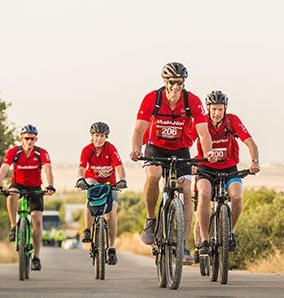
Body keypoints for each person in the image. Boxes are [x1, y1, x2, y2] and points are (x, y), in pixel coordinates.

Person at [130, 62, 216, 265]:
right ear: (165, 82)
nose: (177, 86)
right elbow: (139, 130)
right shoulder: (153, 98)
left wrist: (209, 151)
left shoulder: (192, 100)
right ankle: (151, 220)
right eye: (173, 82)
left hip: (180, 149)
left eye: (181, 82)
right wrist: (136, 148)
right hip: (155, 147)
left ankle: (183, 245)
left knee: (186, 189)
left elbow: (204, 132)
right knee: (153, 175)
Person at [192, 90, 260, 259]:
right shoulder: (201, 122)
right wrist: (191, 164)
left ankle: (230, 233)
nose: (217, 113)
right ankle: (205, 241)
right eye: (214, 109)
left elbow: (250, 142)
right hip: (205, 169)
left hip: (229, 168)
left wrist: (254, 161)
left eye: (220, 109)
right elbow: (187, 142)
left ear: (225, 109)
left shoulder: (232, 121)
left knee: (236, 197)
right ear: (208, 109)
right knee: (204, 193)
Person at [0, 124, 56, 271]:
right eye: (26, 138)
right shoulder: (14, 152)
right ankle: (14, 226)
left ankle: (37, 257)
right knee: (11, 195)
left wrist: (51, 185)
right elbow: (4, 168)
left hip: (35, 187)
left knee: (37, 220)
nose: (29, 141)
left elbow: (48, 169)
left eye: (32, 139)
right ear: (21, 138)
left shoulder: (41, 153)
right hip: (18, 184)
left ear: (36, 139)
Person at [75, 122, 127, 265]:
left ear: (106, 137)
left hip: (109, 183)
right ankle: (87, 229)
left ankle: (111, 247)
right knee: (90, 193)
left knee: (111, 213)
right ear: (92, 136)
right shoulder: (87, 149)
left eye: (102, 136)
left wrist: (122, 179)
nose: (99, 139)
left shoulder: (110, 148)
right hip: (93, 181)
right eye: (96, 136)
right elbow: (81, 167)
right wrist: (80, 179)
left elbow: (119, 167)